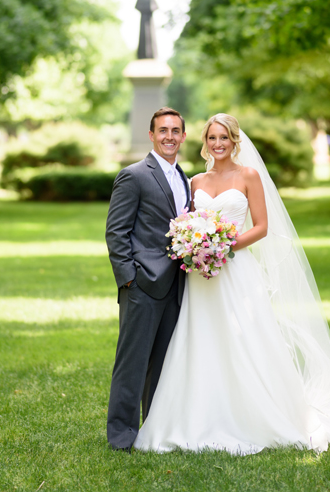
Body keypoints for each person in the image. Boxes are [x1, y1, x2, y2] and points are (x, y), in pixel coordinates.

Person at [132, 113, 330, 453]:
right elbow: (189, 223)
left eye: (224, 137)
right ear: (204, 142)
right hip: (200, 278)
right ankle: (194, 415)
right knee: (200, 337)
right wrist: (196, 246)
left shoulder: (249, 176)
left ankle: (256, 414)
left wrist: (223, 245)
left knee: (245, 340)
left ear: (235, 141)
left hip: (235, 271)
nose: (218, 144)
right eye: (212, 138)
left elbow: (261, 226)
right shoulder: (195, 181)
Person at [105, 107, 191, 450]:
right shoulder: (134, 175)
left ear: (183, 137)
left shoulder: (184, 177)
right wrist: (129, 280)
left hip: (177, 286)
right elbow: (116, 232)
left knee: (163, 366)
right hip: (142, 285)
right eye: (163, 130)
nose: (169, 136)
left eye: (175, 131)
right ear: (152, 135)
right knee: (133, 364)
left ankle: (154, 428)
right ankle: (122, 435)